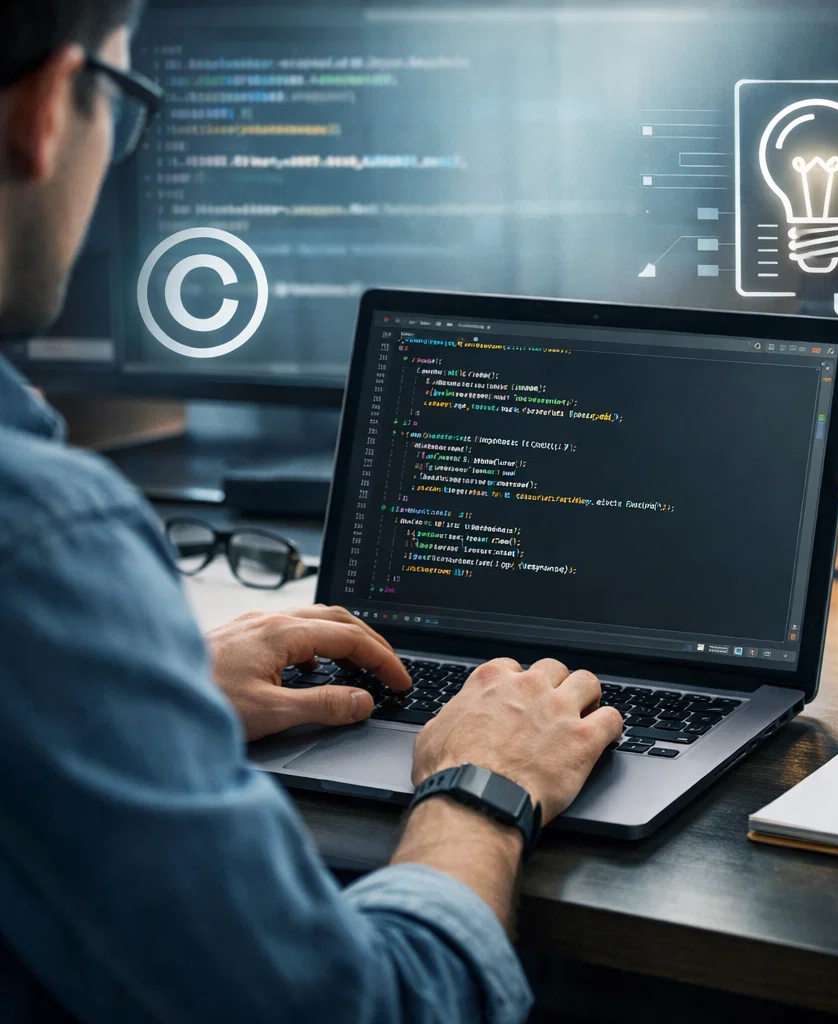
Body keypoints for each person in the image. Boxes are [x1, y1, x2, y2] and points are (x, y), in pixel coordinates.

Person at [0, 3, 624, 1021]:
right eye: (119, 95)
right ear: (41, 112)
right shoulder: (38, 544)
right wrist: (482, 786)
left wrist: (133, 694)